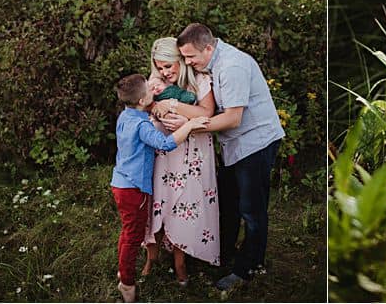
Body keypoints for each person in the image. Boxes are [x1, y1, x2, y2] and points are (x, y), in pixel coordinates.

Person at [174, 23, 285, 293]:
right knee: (228, 204)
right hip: (236, 145)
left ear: (209, 48)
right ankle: (223, 255)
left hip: (256, 143)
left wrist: (190, 126)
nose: (188, 62)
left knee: (252, 210)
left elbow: (233, 118)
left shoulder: (232, 66)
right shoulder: (212, 64)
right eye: (185, 57)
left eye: (191, 57)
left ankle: (247, 268)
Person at [111, 72, 207, 304]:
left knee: (127, 231)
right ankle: (127, 283)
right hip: (135, 189)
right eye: (149, 91)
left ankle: (123, 270)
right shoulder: (142, 125)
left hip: (120, 183)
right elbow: (164, 144)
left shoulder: (125, 116)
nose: (154, 91)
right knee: (133, 236)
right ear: (143, 101)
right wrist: (191, 124)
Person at [141, 37, 220, 285]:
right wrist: (157, 107)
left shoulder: (200, 80)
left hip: (192, 153)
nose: (165, 72)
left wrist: (177, 110)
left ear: (180, 61)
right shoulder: (156, 82)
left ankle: (181, 260)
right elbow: (144, 106)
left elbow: (206, 113)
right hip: (162, 153)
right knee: (159, 202)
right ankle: (151, 255)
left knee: (184, 202)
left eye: (168, 66)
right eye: (160, 67)